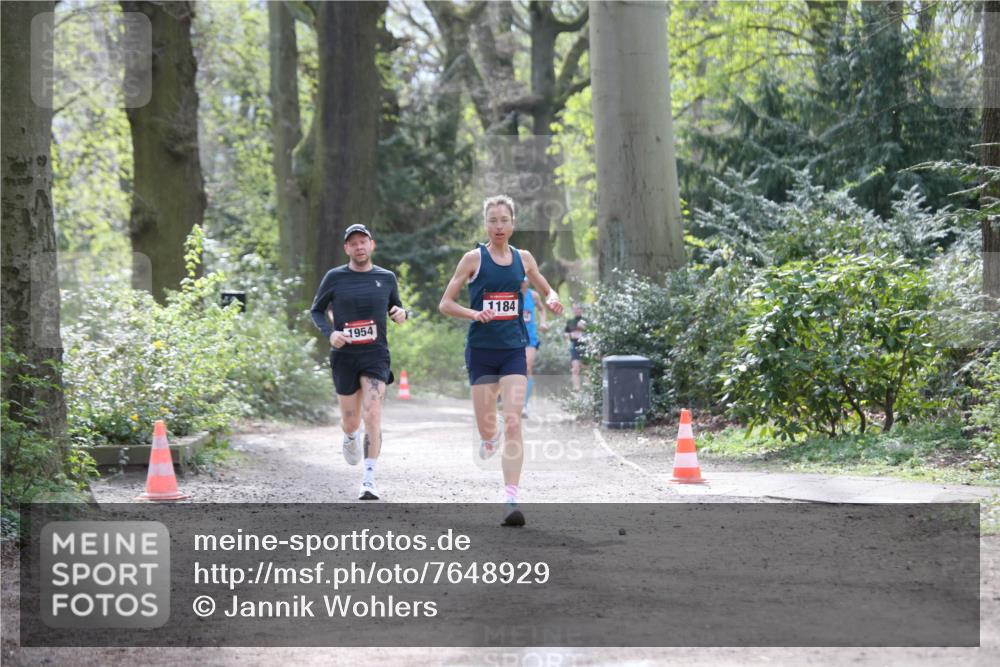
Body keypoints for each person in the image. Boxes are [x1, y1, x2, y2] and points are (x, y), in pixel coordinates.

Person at [439, 195, 563, 526]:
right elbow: (445, 304)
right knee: (488, 428)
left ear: (513, 223)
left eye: (504, 220)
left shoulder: (524, 258)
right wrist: (474, 313)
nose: (498, 226)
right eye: (493, 220)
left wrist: (553, 299)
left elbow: (547, 289)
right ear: (485, 224)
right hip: (481, 352)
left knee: (513, 421)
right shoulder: (473, 259)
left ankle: (511, 499)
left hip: (513, 351)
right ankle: (487, 436)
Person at [310, 223, 408, 500]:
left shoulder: (386, 278)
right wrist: (331, 334)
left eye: (363, 242)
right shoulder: (334, 277)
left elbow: (396, 308)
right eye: (353, 243)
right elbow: (316, 311)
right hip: (345, 357)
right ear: (347, 249)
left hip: (375, 355)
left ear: (371, 245)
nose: (359, 247)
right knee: (351, 421)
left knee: (373, 413)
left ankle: (368, 479)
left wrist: (402, 314)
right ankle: (350, 436)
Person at [520, 276, 548, 418]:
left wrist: (543, 322)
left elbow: (542, 310)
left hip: (530, 338)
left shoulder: (534, 295)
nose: (523, 283)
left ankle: (524, 405)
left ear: (528, 281)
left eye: (525, 280)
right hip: (513, 337)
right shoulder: (512, 295)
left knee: (527, 367)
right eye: (521, 280)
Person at [564, 303, 586, 390]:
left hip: (586, 346)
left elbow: (592, 332)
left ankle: (587, 389)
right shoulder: (570, 322)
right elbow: (565, 334)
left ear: (581, 309)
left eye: (578, 308)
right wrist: (570, 335)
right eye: (575, 309)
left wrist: (583, 329)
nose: (576, 310)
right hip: (574, 346)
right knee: (575, 368)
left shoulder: (586, 320)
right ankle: (576, 389)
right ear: (573, 310)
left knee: (586, 369)